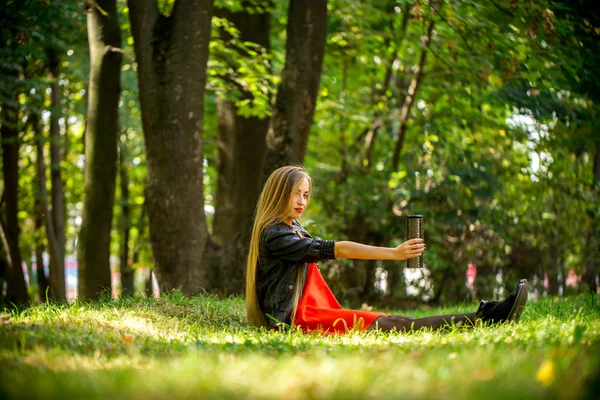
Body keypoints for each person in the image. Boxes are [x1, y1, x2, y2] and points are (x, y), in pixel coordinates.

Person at [245, 165, 528, 334]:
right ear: (279, 192)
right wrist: (394, 253)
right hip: (297, 321)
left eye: (306, 194)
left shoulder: (294, 229)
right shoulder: (274, 235)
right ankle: (489, 316)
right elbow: (338, 250)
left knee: (392, 322)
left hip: (313, 313)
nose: (302, 201)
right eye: (296, 193)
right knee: (392, 323)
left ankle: (489, 315)